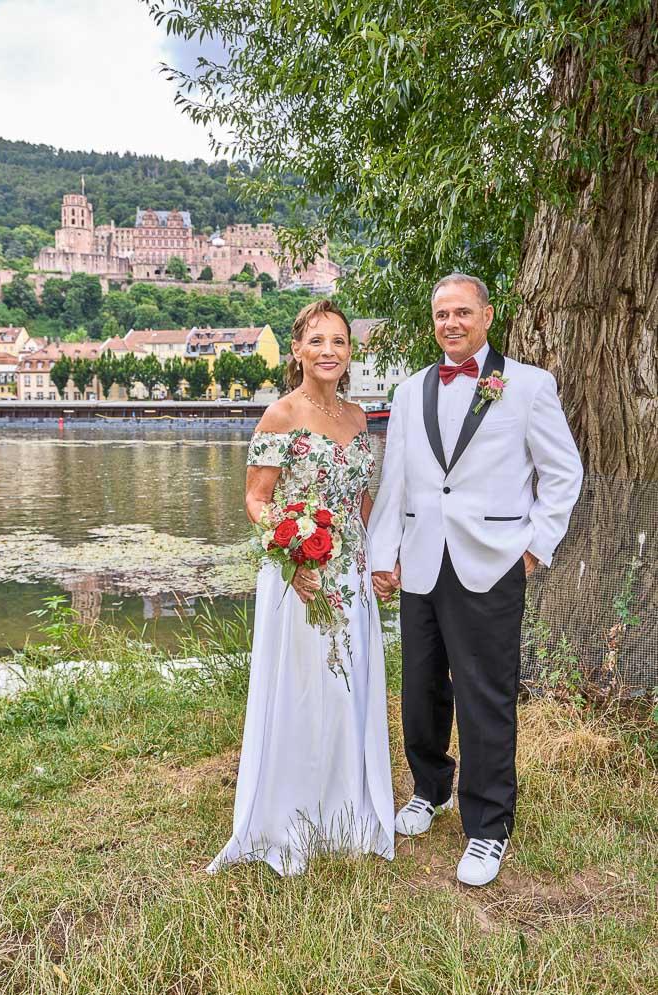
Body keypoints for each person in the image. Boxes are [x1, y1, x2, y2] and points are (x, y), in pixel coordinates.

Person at [369, 273, 583, 886]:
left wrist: (535, 547)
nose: (451, 323)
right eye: (442, 314)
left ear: (487, 317)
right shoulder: (410, 390)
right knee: (420, 689)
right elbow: (396, 479)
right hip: (422, 561)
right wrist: (383, 553)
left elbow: (563, 472)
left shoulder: (528, 386)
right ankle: (429, 788)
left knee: (485, 695)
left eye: (462, 312)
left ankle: (489, 826)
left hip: (492, 561)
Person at [207, 299, 395, 876]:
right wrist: (294, 557)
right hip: (301, 579)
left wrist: (381, 561)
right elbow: (256, 500)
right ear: (297, 350)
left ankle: (347, 813)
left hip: (351, 577)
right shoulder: (280, 415)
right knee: (305, 690)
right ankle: (291, 815)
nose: (328, 351)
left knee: (348, 689)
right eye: (317, 341)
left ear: (350, 351)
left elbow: (364, 501)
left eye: (339, 341)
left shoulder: (359, 417)